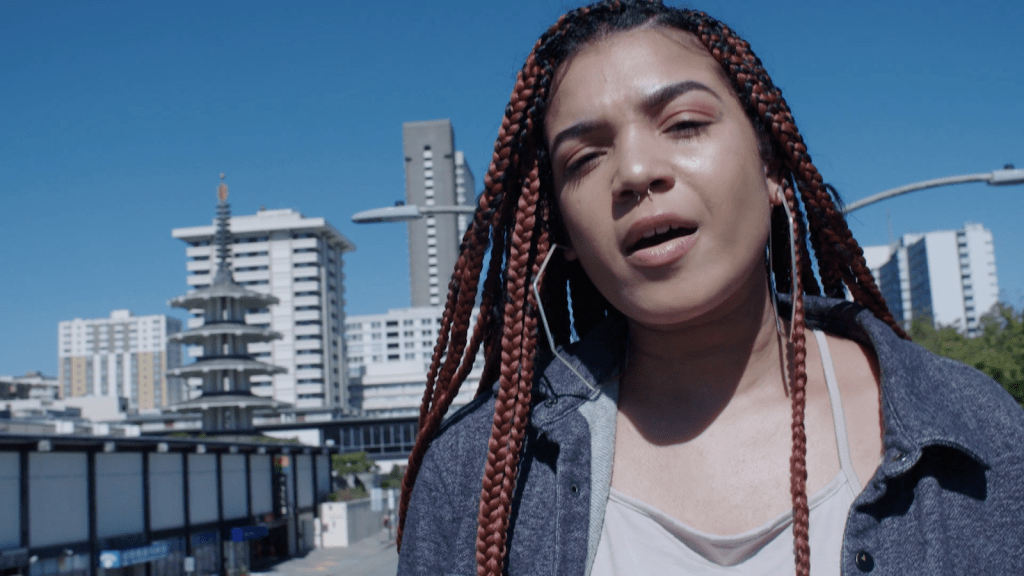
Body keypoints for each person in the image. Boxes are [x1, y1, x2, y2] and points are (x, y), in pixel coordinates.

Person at [395, 1, 1024, 575]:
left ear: (771, 167)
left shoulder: (975, 429)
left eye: (685, 123)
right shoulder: (473, 479)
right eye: (584, 159)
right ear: (564, 236)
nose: (636, 172)